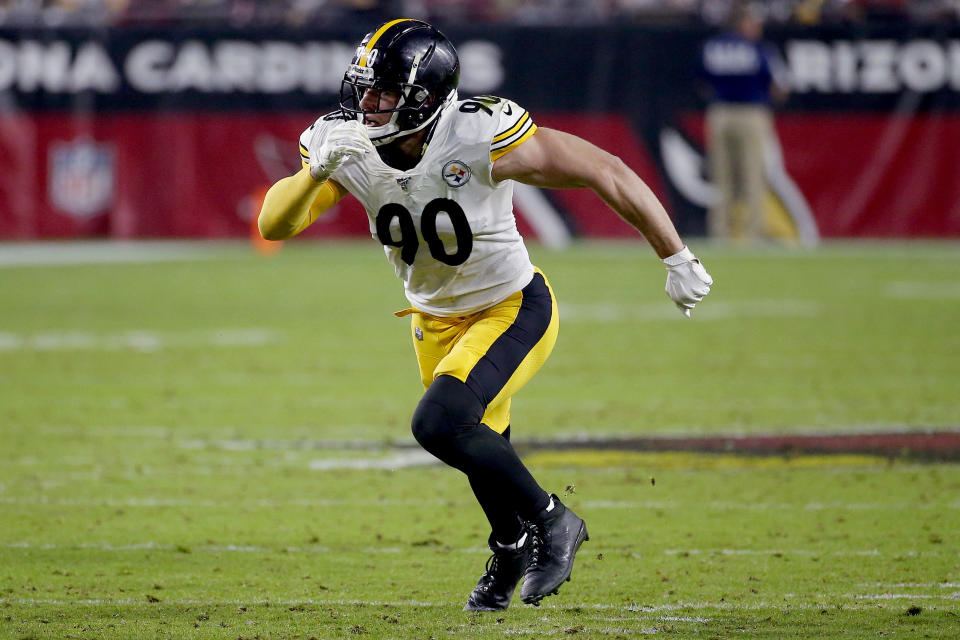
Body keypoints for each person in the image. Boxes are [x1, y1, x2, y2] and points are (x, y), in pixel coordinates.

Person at [258, 18, 713, 611]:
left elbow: (607, 170)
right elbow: (275, 224)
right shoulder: (344, 145)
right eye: (363, 89)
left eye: (384, 93)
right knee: (478, 444)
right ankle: (508, 545)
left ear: (424, 98)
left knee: (440, 424)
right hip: (432, 322)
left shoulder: (476, 133)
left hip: (511, 307)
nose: (367, 105)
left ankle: (553, 520)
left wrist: (675, 255)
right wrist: (313, 172)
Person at [701, 3, 789, 242]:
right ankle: (752, 234)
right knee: (752, 175)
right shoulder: (759, 48)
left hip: (720, 114)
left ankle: (720, 234)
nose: (758, 27)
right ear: (744, 22)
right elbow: (778, 86)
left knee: (722, 177)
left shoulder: (713, 47)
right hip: (751, 113)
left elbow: (703, 83)